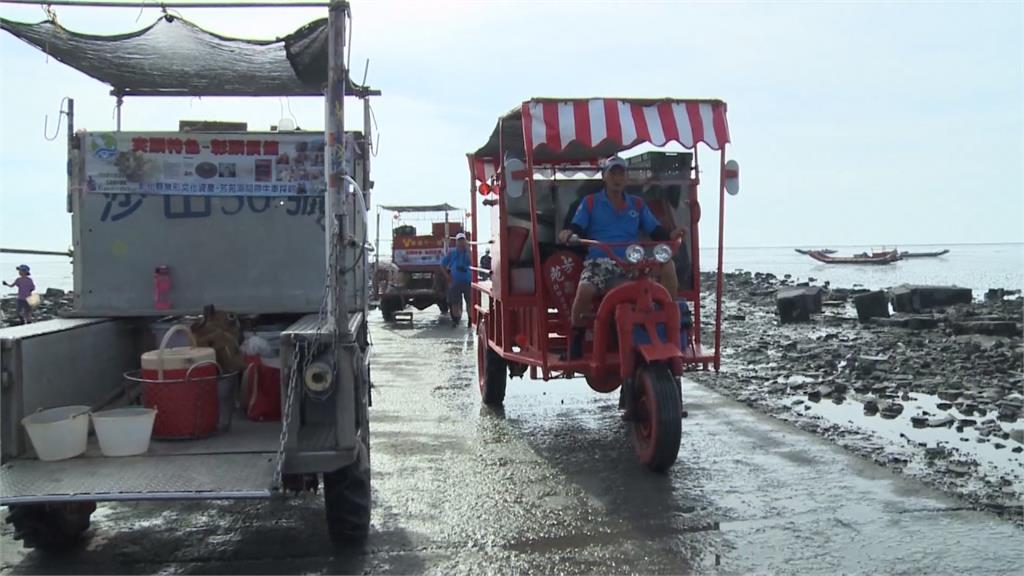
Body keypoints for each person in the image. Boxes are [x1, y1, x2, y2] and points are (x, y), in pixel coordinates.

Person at [558, 156, 685, 357]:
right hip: (599, 262)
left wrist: (671, 236)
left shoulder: (637, 204)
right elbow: (576, 227)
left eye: (621, 173)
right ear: (604, 177)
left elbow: (655, 230)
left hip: (631, 263)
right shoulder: (590, 202)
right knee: (584, 291)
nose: (617, 178)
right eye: (613, 173)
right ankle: (576, 340)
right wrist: (568, 233)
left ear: (626, 178)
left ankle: (667, 321)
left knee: (668, 267)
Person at [441, 232, 472, 325]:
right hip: (455, 282)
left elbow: (472, 261)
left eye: (463, 240)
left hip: (468, 282)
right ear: (456, 242)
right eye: (459, 240)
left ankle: (470, 320)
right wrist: (447, 276)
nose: (461, 242)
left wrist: (468, 248)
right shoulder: (452, 253)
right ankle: (456, 320)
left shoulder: (469, 253)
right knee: (455, 303)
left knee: (470, 302)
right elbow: (443, 265)